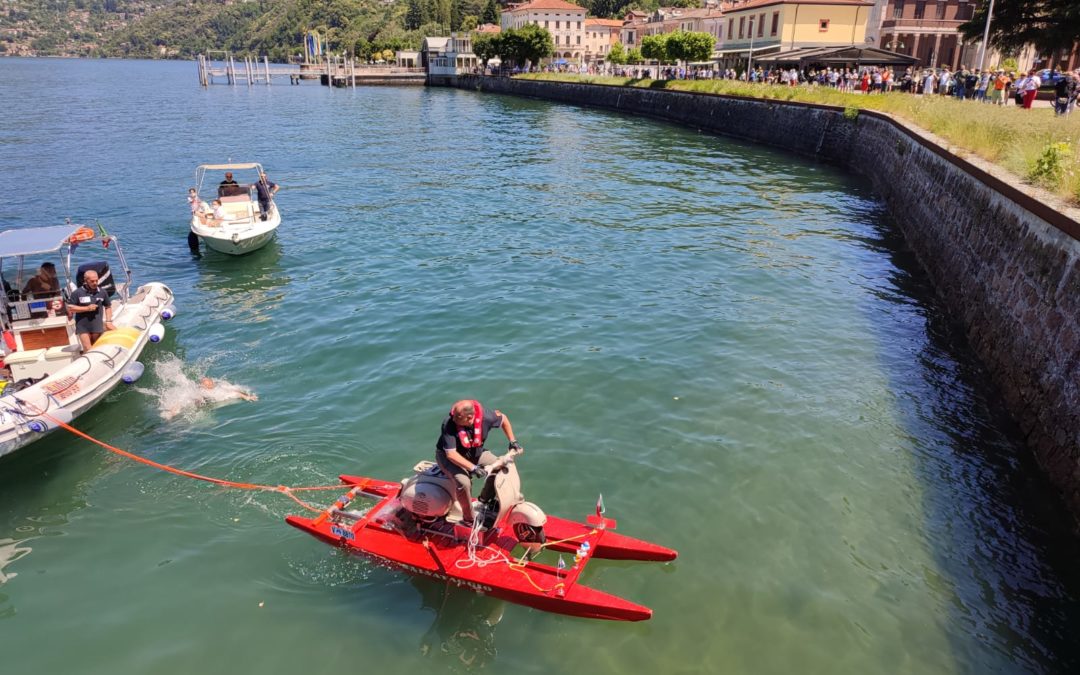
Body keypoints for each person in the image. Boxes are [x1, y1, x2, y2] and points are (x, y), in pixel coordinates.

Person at [435, 400, 521, 525]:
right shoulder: (449, 423)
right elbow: (451, 454)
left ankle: (483, 501)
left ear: (470, 418)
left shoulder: (487, 417)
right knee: (464, 482)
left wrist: (512, 441)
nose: (453, 419)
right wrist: (473, 468)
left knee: (501, 466)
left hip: (475, 453)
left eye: (457, 418)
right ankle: (468, 519)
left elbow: (504, 419)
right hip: (448, 458)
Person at [67, 269, 113, 351]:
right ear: (86, 280)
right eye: (92, 281)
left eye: (96, 280)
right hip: (83, 326)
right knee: (88, 348)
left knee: (97, 347)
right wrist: (87, 308)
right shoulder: (77, 293)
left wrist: (108, 321)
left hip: (97, 325)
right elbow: (71, 308)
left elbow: (108, 307)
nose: (95, 283)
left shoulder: (102, 292)